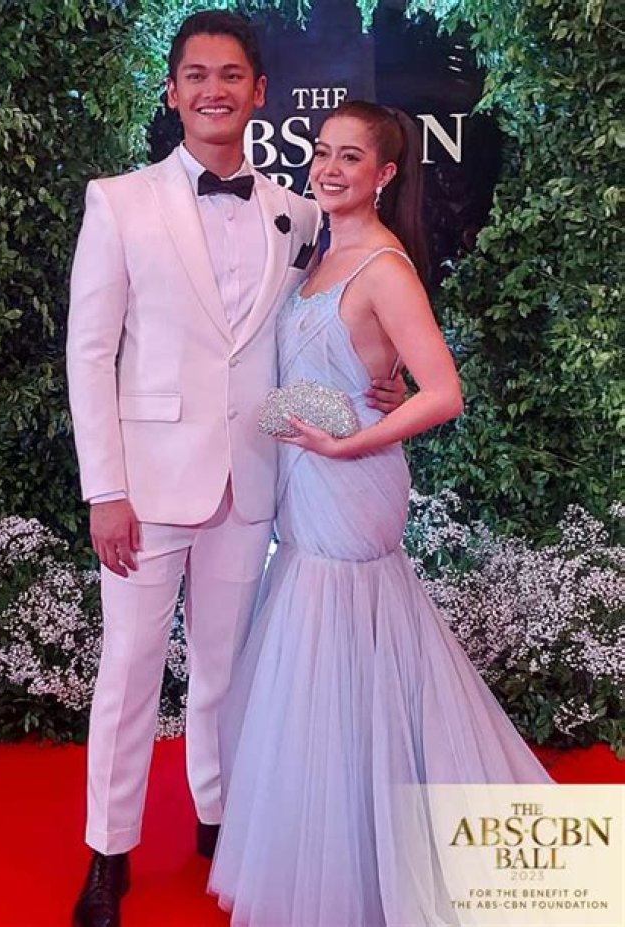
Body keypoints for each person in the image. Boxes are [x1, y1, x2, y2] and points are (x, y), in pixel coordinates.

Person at [66, 14, 404, 927]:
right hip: (146, 486)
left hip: (253, 479)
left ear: (259, 92)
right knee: (129, 671)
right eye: (196, 74)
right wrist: (106, 489)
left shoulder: (299, 214)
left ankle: (221, 825)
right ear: (173, 91)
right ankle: (108, 851)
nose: (213, 89)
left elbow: (331, 321)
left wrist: (383, 378)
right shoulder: (119, 202)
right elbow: (89, 355)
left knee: (226, 670)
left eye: (231, 75)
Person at [208, 101, 552, 927]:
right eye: (323, 152)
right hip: (307, 482)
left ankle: (368, 862)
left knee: (342, 643)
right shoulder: (322, 249)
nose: (328, 169)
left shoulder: (385, 267)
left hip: (352, 484)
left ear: (385, 173)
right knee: (329, 655)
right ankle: (344, 840)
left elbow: (445, 393)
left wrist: (346, 444)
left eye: (350, 158)